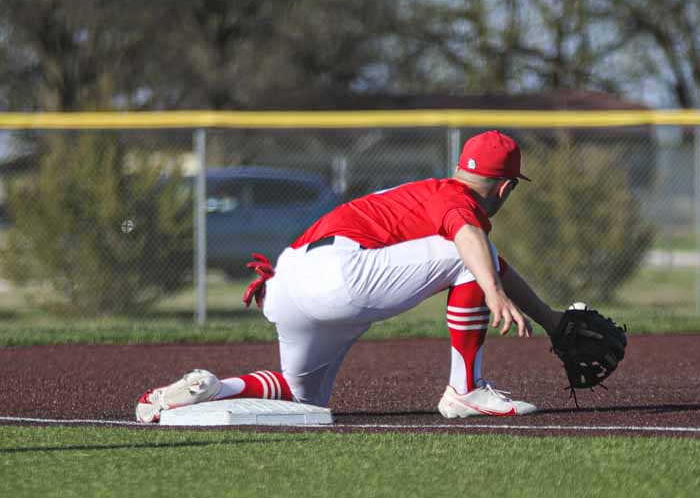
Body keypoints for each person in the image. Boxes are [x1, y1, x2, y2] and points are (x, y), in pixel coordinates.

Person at [136, 130, 564, 421]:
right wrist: (490, 290)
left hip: (290, 277)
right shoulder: (456, 202)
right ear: (506, 187)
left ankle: (214, 388)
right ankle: (465, 389)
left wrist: (551, 320)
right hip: (341, 273)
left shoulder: (426, 194)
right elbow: (471, 242)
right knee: (469, 254)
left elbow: (491, 262)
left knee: (303, 397)